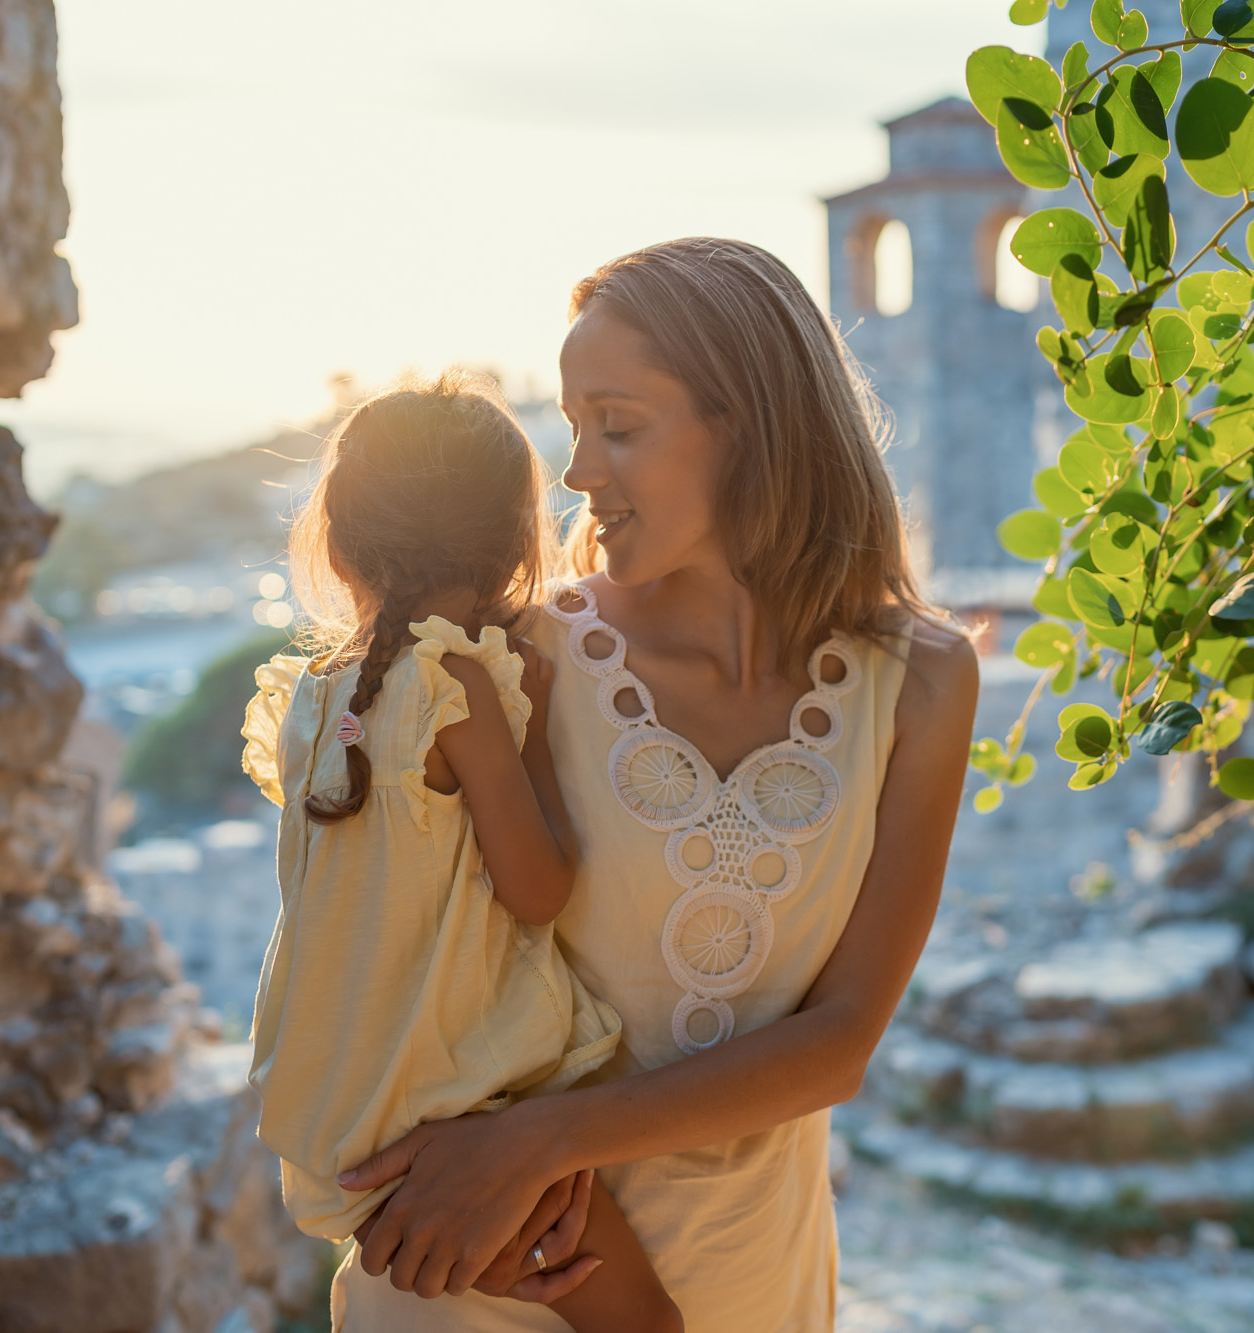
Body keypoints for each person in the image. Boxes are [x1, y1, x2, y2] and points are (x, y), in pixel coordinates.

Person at [332, 239, 979, 1330]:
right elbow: (392, 967)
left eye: (618, 426)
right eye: (575, 428)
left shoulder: (919, 680)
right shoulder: (510, 661)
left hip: (751, 1272)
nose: (577, 472)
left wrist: (542, 1139)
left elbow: (841, 1037)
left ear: (753, 428)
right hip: (491, 1267)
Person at [239, 371, 683, 1332]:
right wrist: (530, 733)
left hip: (340, 1106)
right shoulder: (459, 686)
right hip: (453, 1105)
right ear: (513, 545)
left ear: (342, 543)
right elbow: (537, 890)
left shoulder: (315, 697)